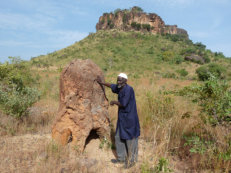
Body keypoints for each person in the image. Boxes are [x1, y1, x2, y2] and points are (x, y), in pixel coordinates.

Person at [97, 73, 140, 168]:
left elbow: (123, 103)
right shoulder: (120, 87)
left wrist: (114, 102)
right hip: (122, 118)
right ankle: (121, 158)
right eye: (118, 80)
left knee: (130, 138)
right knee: (118, 136)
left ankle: (132, 161)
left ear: (125, 81)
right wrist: (102, 83)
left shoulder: (128, 89)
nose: (118, 82)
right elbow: (112, 86)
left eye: (120, 80)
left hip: (130, 118)